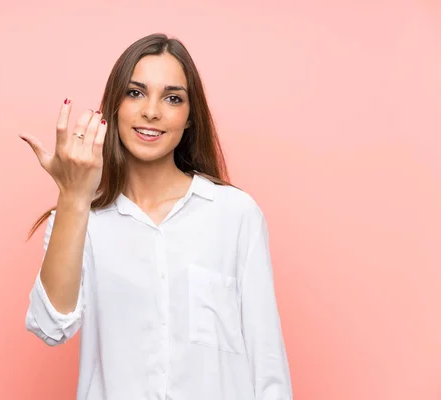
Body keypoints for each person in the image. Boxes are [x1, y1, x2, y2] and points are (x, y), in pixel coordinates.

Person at [20, 33, 293, 400]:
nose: (151, 111)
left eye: (172, 98)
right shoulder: (80, 219)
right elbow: (50, 326)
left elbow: (266, 360)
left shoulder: (235, 214)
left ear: (190, 117)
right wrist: (72, 197)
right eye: (135, 92)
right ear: (113, 106)